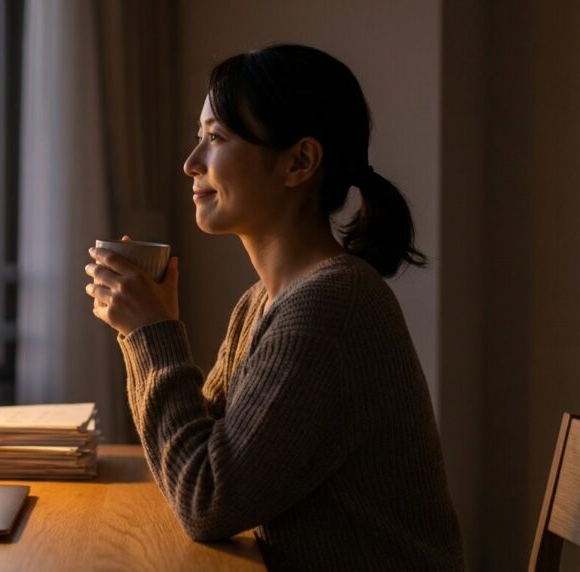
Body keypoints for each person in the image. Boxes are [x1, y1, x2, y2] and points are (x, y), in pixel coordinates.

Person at [84, 44, 464, 570]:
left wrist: (153, 334)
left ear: (299, 161)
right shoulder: (264, 301)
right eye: (200, 139)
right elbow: (198, 458)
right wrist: (147, 331)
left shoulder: (331, 306)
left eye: (215, 138)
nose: (191, 163)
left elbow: (206, 501)